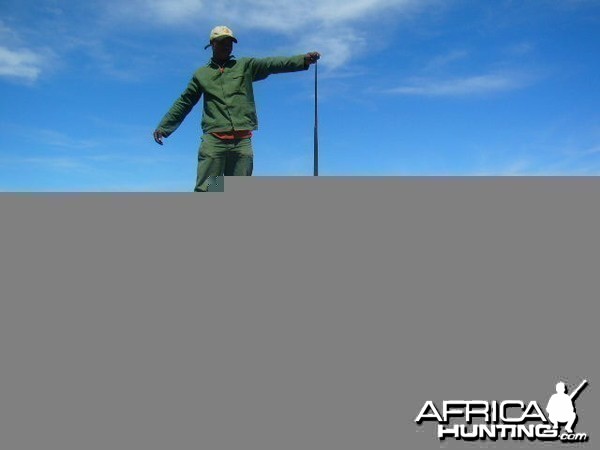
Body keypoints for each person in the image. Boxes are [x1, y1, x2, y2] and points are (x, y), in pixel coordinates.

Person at [153, 25, 320, 192]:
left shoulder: (245, 66)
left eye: (230, 42)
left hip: (241, 144)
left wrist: (302, 60)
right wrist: (164, 127)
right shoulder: (202, 74)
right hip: (215, 144)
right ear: (212, 44)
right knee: (212, 190)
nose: (227, 46)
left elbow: (272, 64)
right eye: (222, 42)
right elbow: (185, 102)